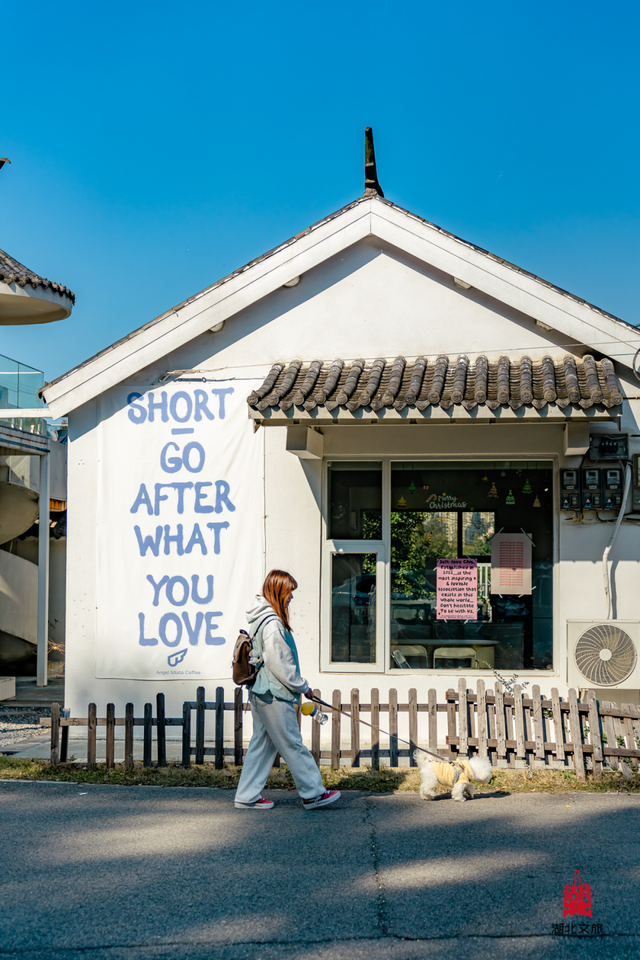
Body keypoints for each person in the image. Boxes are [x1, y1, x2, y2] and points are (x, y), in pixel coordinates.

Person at [234, 570, 340, 811]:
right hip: (274, 695)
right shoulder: (272, 623)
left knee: (262, 744)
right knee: (293, 743)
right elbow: (280, 664)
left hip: (261, 692)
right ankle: (313, 794)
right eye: (289, 592)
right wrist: (304, 687)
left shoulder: (260, 619)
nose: (292, 597)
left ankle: (247, 795)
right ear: (278, 592)